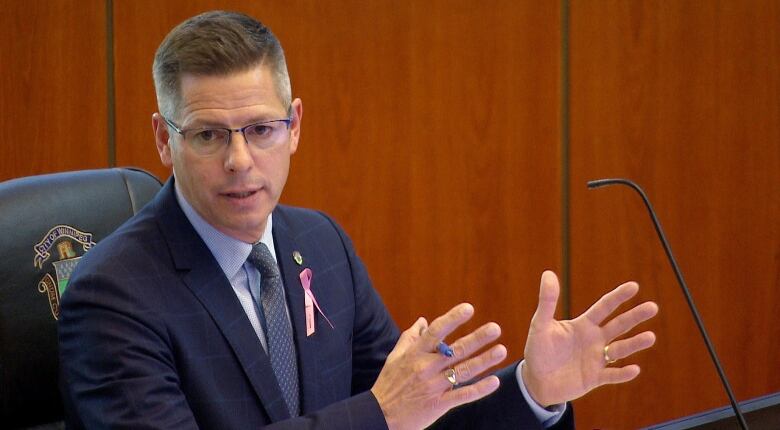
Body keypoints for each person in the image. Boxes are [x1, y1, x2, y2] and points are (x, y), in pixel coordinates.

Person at [58, 10, 658, 430]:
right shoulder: (114, 295)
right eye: (209, 135)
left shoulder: (320, 243)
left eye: (261, 130)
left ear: (296, 126)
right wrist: (379, 414)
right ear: (164, 139)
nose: (239, 162)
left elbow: (418, 414)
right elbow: (388, 413)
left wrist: (532, 390)